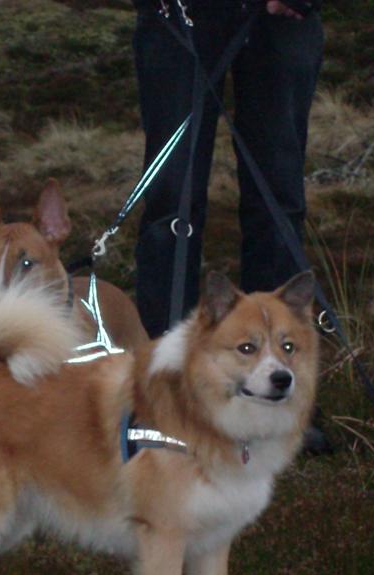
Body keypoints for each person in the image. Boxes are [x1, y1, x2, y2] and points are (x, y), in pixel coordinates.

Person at [131, 0, 324, 337]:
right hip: (176, 13)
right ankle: (164, 362)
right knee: (172, 197)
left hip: (280, 21)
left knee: (276, 196)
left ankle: (273, 354)